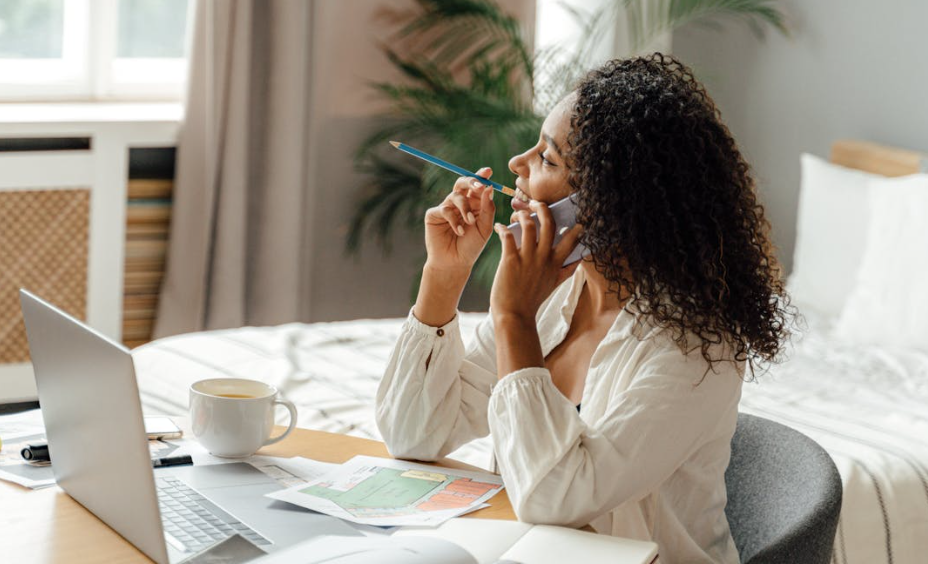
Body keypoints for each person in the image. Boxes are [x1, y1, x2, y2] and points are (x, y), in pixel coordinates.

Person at [375, 54, 792, 564]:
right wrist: (443, 278)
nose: (516, 166)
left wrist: (512, 319)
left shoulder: (694, 348)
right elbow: (412, 434)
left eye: (548, 161)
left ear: (614, 204)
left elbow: (556, 500)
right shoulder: (555, 296)